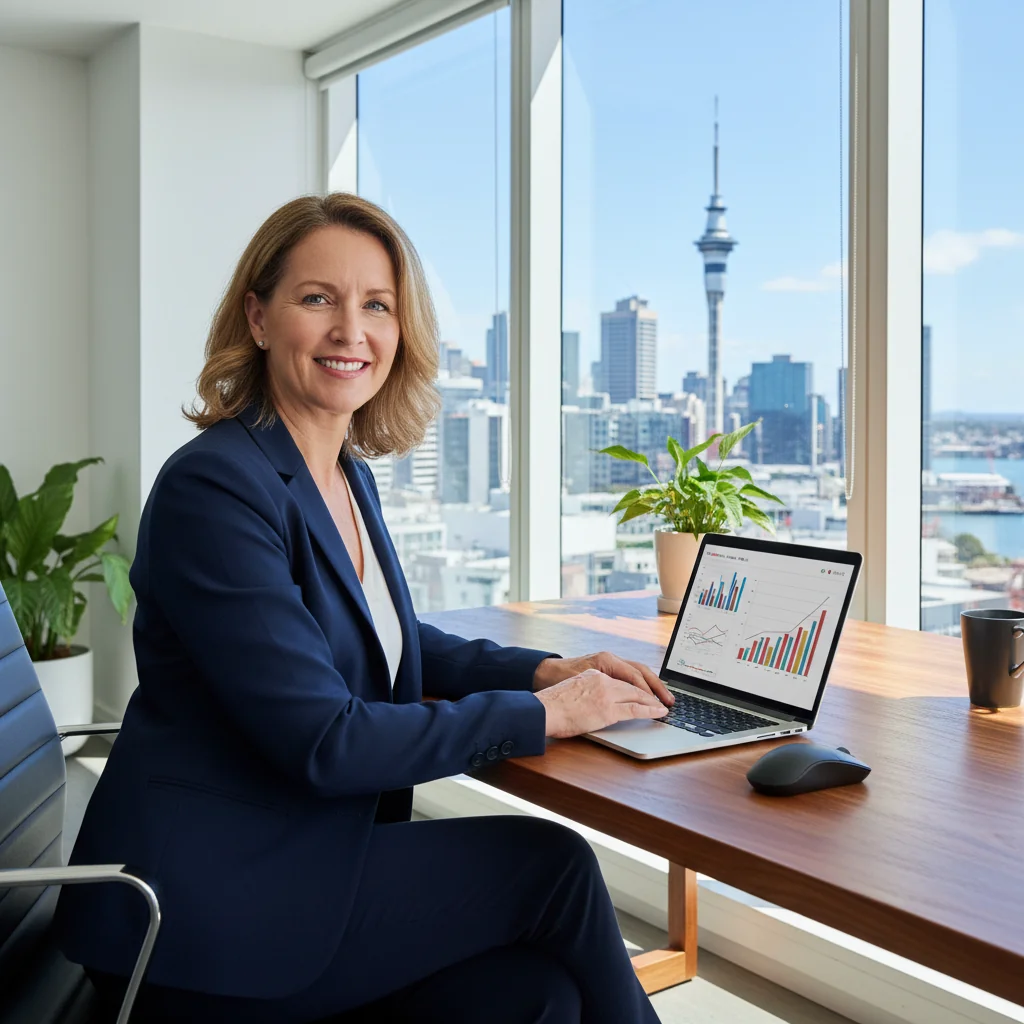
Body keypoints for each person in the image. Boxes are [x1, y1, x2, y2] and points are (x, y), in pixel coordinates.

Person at [56, 193, 673, 1023]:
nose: (353, 331)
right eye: (319, 299)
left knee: (541, 999)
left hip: (302, 860)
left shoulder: (345, 474)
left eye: (377, 305)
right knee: (551, 865)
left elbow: (384, 639)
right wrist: (539, 714)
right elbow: (324, 739)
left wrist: (545, 669)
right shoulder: (216, 486)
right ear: (260, 317)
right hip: (201, 913)